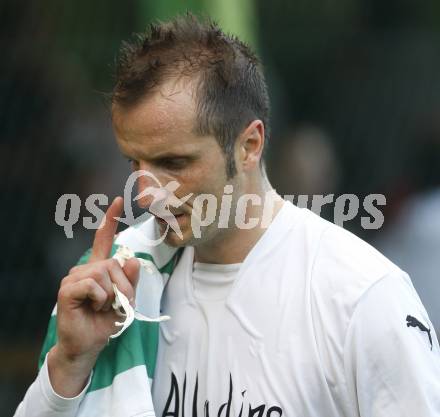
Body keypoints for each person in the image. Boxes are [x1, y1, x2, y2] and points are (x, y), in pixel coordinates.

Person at [15, 14, 440, 417]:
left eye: (174, 163)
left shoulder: (359, 295)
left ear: (250, 145)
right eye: (134, 163)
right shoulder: (113, 285)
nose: (146, 193)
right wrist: (70, 364)